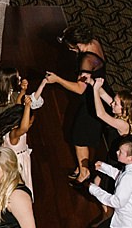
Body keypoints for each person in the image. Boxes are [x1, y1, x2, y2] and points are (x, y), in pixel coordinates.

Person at [42, 48, 108, 182]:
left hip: (91, 105)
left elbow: (79, 89)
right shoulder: (95, 45)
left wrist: (57, 80)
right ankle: (81, 166)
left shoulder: (86, 60)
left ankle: (84, 172)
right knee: (81, 137)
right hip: (95, 100)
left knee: (79, 138)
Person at [0, 67, 43, 199]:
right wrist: (27, 107)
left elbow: (17, 106)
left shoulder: (10, 130)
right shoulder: (14, 135)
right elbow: (24, 128)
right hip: (17, 163)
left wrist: (22, 92)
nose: (30, 123)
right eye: (30, 121)